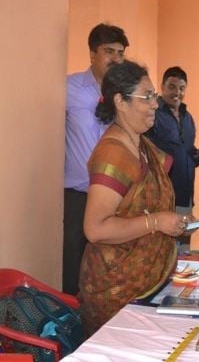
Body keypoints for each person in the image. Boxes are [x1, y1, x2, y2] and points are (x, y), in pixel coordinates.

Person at [78, 60, 187, 337]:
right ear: (120, 101)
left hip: (144, 284)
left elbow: (143, 205)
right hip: (115, 290)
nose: (155, 104)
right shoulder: (113, 153)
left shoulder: (140, 145)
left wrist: (169, 220)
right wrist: (156, 222)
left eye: (154, 96)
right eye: (147, 96)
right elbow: (95, 228)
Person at [64, 23, 129, 295]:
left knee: (108, 275)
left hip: (118, 200)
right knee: (72, 270)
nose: (115, 58)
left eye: (120, 53)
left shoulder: (126, 95)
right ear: (92, 54)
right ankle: (67, 333)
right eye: (108, 51)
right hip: (78, 197)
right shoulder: (68, 88)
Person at [145, 66, 199, 251]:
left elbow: (187, 152)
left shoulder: (188, 118)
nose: (177, 92)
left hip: (185, 198)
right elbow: (147, 150)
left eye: (182, 88)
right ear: (162, 86)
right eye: (172, 86)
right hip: (162, 199)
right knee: (162, 253)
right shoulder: (152, 114)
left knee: (183, 254)